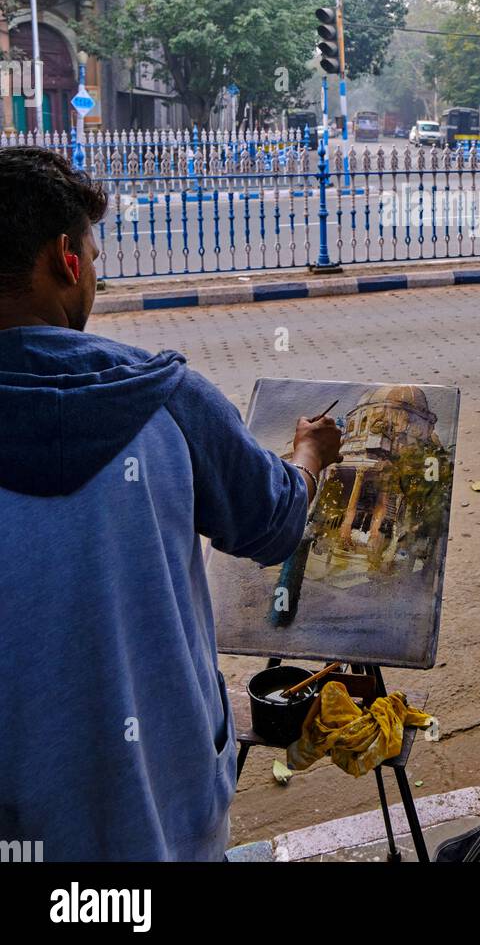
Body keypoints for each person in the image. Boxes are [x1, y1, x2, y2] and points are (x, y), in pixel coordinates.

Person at [0, 147, 341, 862]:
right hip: (168, 806)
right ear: (67, 259)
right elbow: (274, 522)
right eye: (93, 252)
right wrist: (308, 454)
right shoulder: (167, 402)